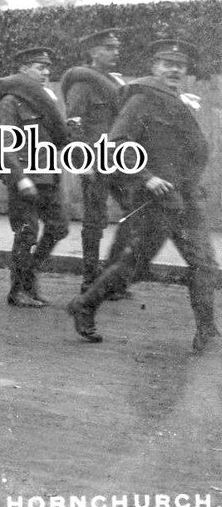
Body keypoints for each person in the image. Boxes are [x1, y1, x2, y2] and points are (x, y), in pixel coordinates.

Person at [66, 39, 219, 352]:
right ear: (154, 67)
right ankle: (85, 305)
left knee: (204, 264)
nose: (174, 70)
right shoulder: (141, 99)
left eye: (180, 66)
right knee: (133, 265)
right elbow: (117, 142)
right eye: (167, 64)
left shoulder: (180, 102)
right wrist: (145, 177)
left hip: (187, 197)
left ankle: (207, 328)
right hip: (156, 200)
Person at [60, 28, 136, 296]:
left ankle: (111, 276)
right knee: (95, 220)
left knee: (133, 210)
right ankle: (90, 279)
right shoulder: (82, 83)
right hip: (94, 159)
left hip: (117, 158)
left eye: (116, 48)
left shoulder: (113, 81)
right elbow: (74, 124)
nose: (115, 52)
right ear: (93, 52)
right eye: (108, 48)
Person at [0, 47, 70, 307]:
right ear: (23, 69)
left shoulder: (46, 100)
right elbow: (5, 142)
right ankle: (18, 290)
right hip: (24, 177)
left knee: (59, 227)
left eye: (47, 67)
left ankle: (30, 275)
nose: (46, 72)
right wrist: (20, 177)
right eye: (39, 67)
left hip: (48, 174)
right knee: (27, 234)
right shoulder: (10, 101)